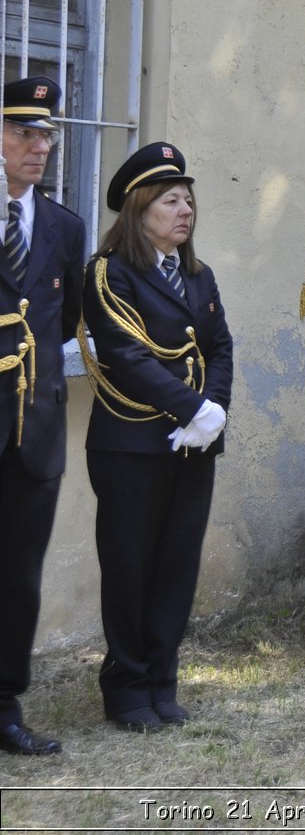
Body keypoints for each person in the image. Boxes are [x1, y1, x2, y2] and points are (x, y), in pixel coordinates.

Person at [80, 142, 232, 732]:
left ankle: (162, 681)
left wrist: (212, 412)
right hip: (132, 447)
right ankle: (126, 689)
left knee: (176, 565)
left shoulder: (199, 274)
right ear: (140, 209)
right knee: (129, 567)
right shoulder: (109, 273)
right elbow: (127, 357)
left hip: (193, 444)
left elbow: (219, 347)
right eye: (171, 200)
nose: (184, 210)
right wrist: (194, 408)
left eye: (188, 200)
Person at [0, 76, 84, 756]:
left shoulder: (63, 227)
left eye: (46, 136)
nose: (39, 146)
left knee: (19, 573)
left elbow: (67, 322)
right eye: (24, 132)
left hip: (34, 426)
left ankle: (4, 704)